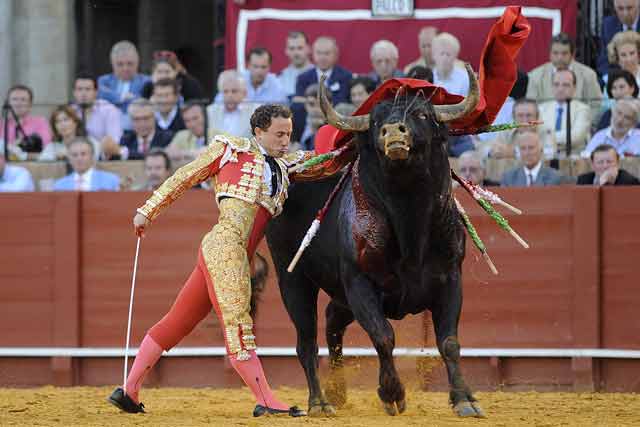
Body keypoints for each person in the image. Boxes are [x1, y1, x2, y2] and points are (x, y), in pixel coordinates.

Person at [107, 104, 346, 417]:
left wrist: (355, 144)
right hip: (225, 248)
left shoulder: (287, 165)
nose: (286, 140)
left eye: (288, 133)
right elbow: (184, 176)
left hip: (234, 253)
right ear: (259, 131)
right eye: (279, 134)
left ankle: (129, 390)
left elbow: (328, 162)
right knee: (238, 326)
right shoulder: (231, 150)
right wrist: (147, 211)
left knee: (178, 322)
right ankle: (266, 399)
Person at [526, 33, 602, 121]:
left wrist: (582, 123)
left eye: (564, 53)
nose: (559, 57)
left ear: (572, 54)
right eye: (555, 53)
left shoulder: (588, 75)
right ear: (549, 54)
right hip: (544, 128)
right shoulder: (536, 76)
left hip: (579, 127)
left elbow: (596, 105)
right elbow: (530, 107)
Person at [538, 69, 591, 157]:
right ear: (551, 87)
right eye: (556, 84)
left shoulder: (583, 109)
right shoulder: (541, 109)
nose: (560, 89)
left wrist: (548, 136)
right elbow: (536, 135)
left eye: (566, 85)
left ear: (574, 88)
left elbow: (575, 137)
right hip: (545, 158)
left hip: (574, 160)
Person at [97, 40, 150, 128]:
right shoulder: (103, 81)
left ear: (137, 62)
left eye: (130, 64)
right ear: (112, 64)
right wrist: (121, 97)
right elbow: (101, 97)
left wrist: (113, 97)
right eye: (120, 64)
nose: (125, 68)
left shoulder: (146, 81)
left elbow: (142, 103)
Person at [295, 36, 353, 105]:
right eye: (319, 53)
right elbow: (297, 102)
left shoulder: (346, 77)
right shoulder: (303, 78)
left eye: (327, 53)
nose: (322, 57)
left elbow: (345, 101)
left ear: (335, 55)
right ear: (312, 54)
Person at [0, 84, 52, 159]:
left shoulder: (40, 122)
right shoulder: (2, 124)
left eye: (23, 99)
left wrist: (14, 147)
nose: (18, 103)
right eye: (14, 99)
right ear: (8, 103)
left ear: (30, 104)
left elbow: (44, 143)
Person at [71, 74, 123, 145]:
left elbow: (114, 140)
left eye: (88, 89)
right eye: (79, 89)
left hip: (102, 153)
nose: (83, 93)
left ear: (96, 92)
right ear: (74, 92)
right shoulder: (69, 111)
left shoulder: (109, 111)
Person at [53, 138, 120, 191]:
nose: (79, 158)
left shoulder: (110, 180)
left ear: (92, 156)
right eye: (74, 155)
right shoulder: (60, 186)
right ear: (69, 159)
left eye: (83, 154)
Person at [207, 70, 258, 138]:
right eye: (225, 91)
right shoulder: (210, 111)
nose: (229, 95)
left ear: (244, 93)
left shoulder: (255, 112)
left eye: (234, 91)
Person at [597, 0, 640, 77]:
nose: (625, 13)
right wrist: (617, 78)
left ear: (638, 6)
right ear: (615, 8)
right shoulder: (608, 25)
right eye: (620, 8)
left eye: (629, 8)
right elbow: (603, 61)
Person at [277, 31, 313, 100]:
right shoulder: (280, 78)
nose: (296, 53)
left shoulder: (319, 75)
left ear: (308, 49)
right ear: (286, 51)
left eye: (300, 48)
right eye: (292, 48)